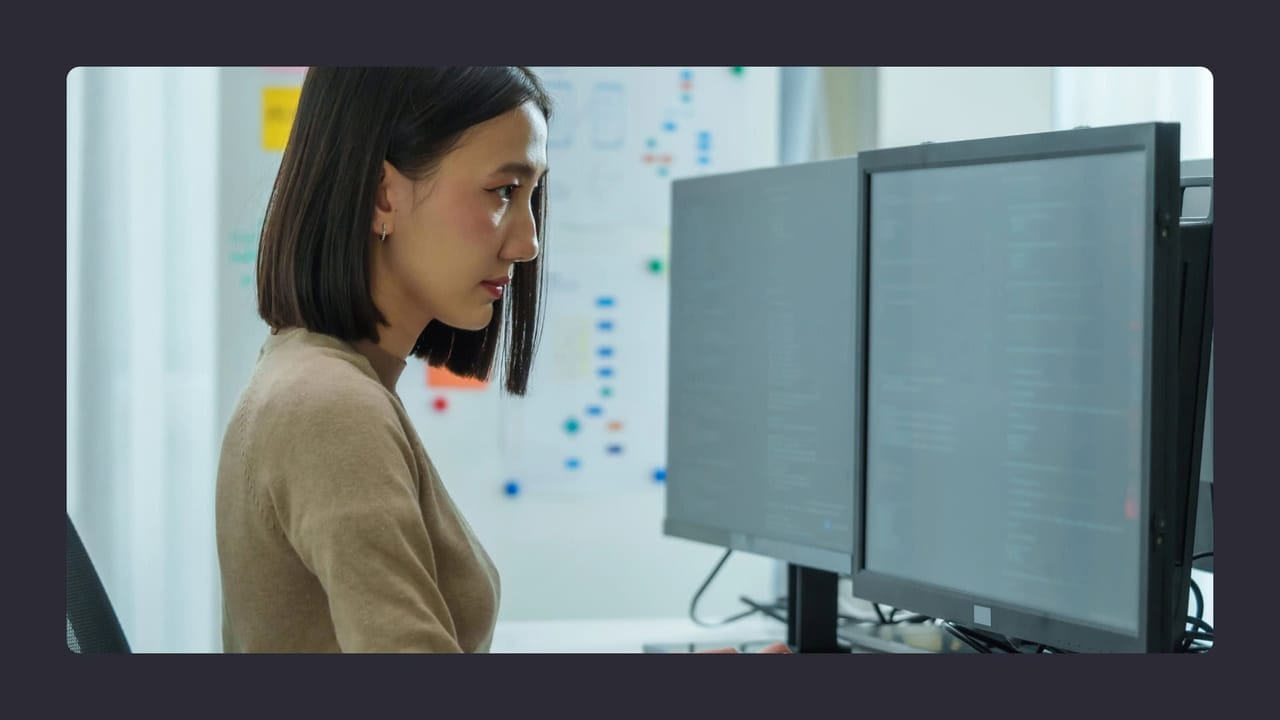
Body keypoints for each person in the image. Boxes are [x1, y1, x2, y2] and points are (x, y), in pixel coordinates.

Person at [215, 66, 790, 654]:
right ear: (382, 194)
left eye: (532, 195)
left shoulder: (307, 377)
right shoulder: (330, 410)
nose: (528, 242)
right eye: (501, 192)